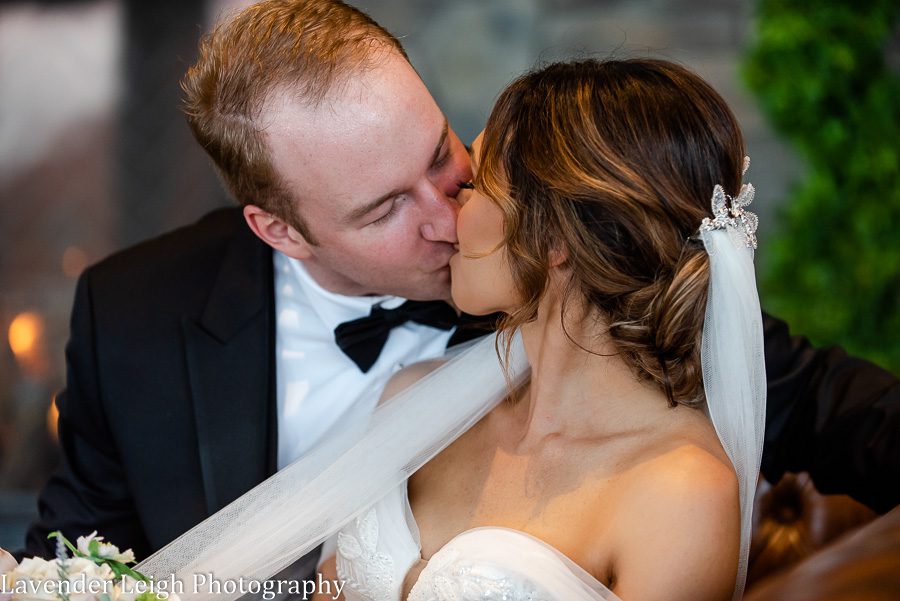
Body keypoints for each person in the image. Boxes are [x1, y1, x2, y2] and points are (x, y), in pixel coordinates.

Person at [21, 0, 899, 577]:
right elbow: (77, 559)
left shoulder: (571, 281)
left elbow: (827, 402)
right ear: (279, 229)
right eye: (385, 209)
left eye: (444, 153)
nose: (451, 216)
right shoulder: (132, 314)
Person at [314, 57, 761, 601]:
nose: (450, 213)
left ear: (554, 240)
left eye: (476, 185)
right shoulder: (415, 398)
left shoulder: (680, 493)